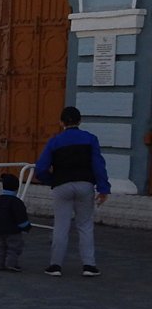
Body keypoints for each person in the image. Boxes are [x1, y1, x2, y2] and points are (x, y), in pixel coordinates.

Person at [34, 105, 109, 277]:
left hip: (62, 185)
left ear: (61, 123)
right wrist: (103, 188)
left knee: (61, 226)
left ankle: (55, 265)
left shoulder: (54, 141)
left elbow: (41, 168)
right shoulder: (90, 139)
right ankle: (89, 265)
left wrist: (51, 181)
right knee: (85, 225)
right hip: (85, 185)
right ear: (80, 121)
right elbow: (98, 165)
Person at [0, 173, 31, 271]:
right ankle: (11, 264)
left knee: (1, 247)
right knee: (14, 248)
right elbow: (21, 218)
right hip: (13, 231)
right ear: (17, 188)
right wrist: (26, 227)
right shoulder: (16, 202)